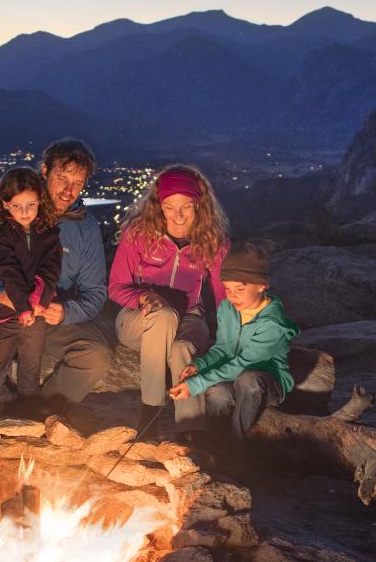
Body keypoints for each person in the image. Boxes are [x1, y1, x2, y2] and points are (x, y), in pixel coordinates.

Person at [0, 139, 113, 421]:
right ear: (45, 171)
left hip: (43, 315)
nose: (68, 190)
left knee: (96, 356)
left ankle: (40, 412)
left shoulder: (85, 228)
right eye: (62, 178)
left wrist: (65, 312)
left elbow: (95, 293)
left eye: (78, 182)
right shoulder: (11, 208)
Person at [110, 165, 228, 440]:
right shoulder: (138, 235)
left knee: (182, 349)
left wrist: (230, 342)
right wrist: (142, 296)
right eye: (169, 207)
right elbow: (116, 287)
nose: (177, 216)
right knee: (163, 316)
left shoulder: (213, 242)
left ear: (199, 206)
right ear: (158, 206)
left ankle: (192, 430)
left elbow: (224, 297)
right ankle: (149, 414)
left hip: (189, 318)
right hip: (139, 318)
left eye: (185, 207)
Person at [170, 243, 298, 444]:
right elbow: (222, 348)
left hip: (266, 382)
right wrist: (199, 365)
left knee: (249, 380)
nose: (232, 295)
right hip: (232, 377)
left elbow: (245, 363)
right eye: (227, 288)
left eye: (240, 288)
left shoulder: (272, 323)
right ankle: (214, 444)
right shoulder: (227, 309)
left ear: (261, 285)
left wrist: (196, 384)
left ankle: (236, 445)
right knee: (217, 392)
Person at [0, 167, 60, 415]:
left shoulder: (48, 234)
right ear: (4, 204)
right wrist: (23, 305)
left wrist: (38, 301)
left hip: (37, 313)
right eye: (17, 205)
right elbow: (7, 270)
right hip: (8, 312)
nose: (25, 212)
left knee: (30, 372)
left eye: (31, 205)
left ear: (40, 202)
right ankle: (9, 406)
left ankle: (28, 413)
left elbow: (50, 269)